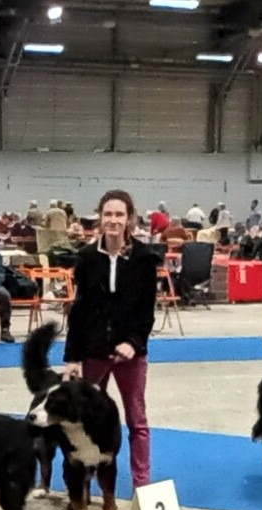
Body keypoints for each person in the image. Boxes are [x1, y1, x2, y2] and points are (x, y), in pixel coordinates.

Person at [63, 189, 160, 488]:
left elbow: (146, 311)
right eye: (108, 214)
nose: (113, 220)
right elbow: (78, 311)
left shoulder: (145, 258)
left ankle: (141, 485)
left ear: (129, 219)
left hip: (130, 354)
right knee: (87, 421)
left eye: (119, 215)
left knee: (137, 421)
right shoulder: (87, 257)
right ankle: (85, 487)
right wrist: (71, 358)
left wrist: (133, 342)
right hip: (93, 352)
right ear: (100, 218)